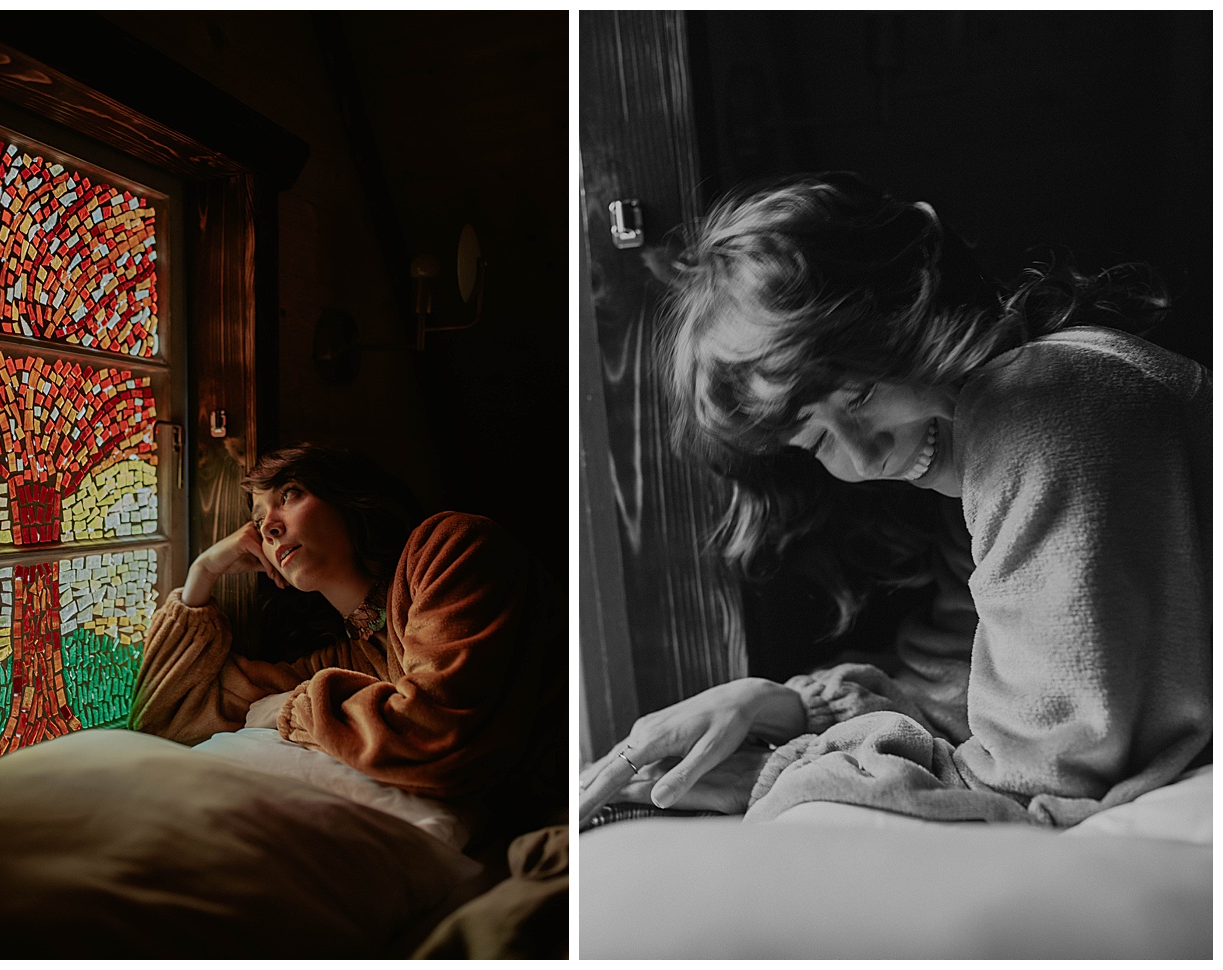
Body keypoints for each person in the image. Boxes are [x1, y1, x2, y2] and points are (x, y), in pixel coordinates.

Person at [580, 172, 1210, 828]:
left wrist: (777, 771)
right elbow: (953, 691)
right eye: (814, 437)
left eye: (859, 394)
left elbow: (1033, 780)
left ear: (916, 299)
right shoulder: (985, 452)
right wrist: (786, 705)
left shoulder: (1043, 403)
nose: (863, 455)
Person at [131, 443, 564, 835]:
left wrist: (289, 708)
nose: (269, 529)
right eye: (259, 521)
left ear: (346, 497)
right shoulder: (347, 658)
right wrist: (201, 575)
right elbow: (169, 721)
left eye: (290, 494)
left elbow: (434, 732)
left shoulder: (452, 546)